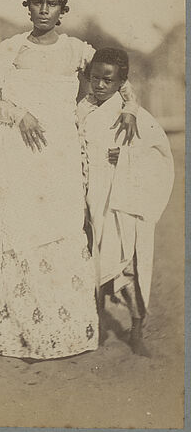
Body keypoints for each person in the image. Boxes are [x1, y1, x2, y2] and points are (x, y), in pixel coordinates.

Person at [0, 0, 139, 360]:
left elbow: (118, 77)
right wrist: (19, 114)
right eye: (38, 2)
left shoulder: (77, 51)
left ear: (63, 10)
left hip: (60, 158)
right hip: (16, 156)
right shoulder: (10, 49)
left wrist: (130, 108)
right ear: (28, 6)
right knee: (19, 233)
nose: (44, 9)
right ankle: (13, 333)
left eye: (52, 3)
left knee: (62, 232)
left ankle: (67, 332)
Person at [77, 48, 174, 356]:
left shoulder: (133, 115)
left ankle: (136, 327)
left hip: (122, 202)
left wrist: (129, 157)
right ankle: (94, 325)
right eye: (95, 79)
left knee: (126, 264)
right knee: (91, 259)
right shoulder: (82, 109)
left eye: (108, 80)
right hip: (91, 196)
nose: (101, 85)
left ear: (121, 82)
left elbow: (160, 153)